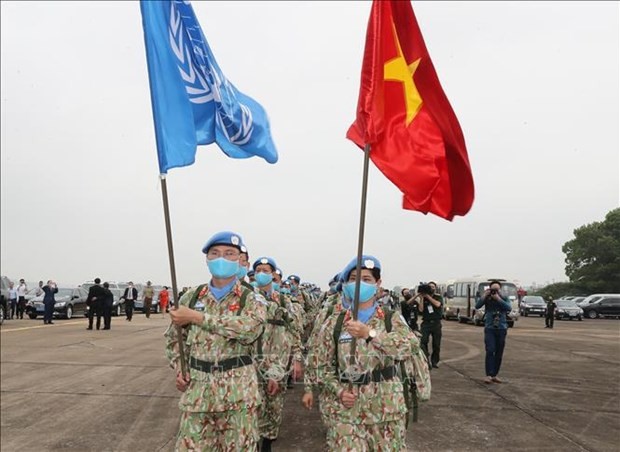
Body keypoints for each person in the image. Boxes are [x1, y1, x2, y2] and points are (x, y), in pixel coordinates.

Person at [164, 231, 267, 451]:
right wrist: (180, 367)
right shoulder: (191, 297)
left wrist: (197, 317)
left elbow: (250, 329)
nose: (222, 258)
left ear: (240, 260)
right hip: (197, 394)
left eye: (229, 254)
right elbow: (175, 339)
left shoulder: (251, 297)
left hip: (238, 395)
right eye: (215, 253)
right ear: (207, 259)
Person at [313, 255, 420, 450]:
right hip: (347, 412)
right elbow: (320, 367)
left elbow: (409, 346)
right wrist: (339, 391)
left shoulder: (391, 319)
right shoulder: (334, 323)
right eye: (354, 279)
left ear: (378, 284)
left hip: (386, 411)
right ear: (345, 285)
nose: (359, 284)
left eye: (367, 279)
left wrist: (370, 334)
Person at [252, 257, 302, 452]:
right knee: (254, 408)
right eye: (258, 270)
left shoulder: (283, 301)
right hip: (250, 364)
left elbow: (294, 331)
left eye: (265, 270)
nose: (261, 273)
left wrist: (296, 359)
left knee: (273, 407)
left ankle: (267, 442)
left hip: (276, 364)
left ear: (274, 275)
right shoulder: (247, 298)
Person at [475, 280, 512, 384]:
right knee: (490, 350)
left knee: (499, 352)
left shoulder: (503, 297)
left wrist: (498, 299)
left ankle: (494, 374)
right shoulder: (487, 297)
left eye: (496, 289)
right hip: (490, 327)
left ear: (499, 289)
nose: (494, 292)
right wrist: (484, 296)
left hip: (501, 327)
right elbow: (477, 306)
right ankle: (488, 375)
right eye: (492, 289)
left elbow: (509, 308)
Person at [418, 281, 444, 369]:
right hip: (426, 323)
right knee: (423, 341)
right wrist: (422, 298)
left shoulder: (438, 297)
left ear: (435, 288)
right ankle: (426, 360)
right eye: (430, 287)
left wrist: (428, 297)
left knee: (436, 344)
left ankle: (435, 361)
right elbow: (421, 310)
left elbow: (437, 304)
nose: (431, 288)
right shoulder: (423, 298)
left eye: (433, 287)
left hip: (436, 323)